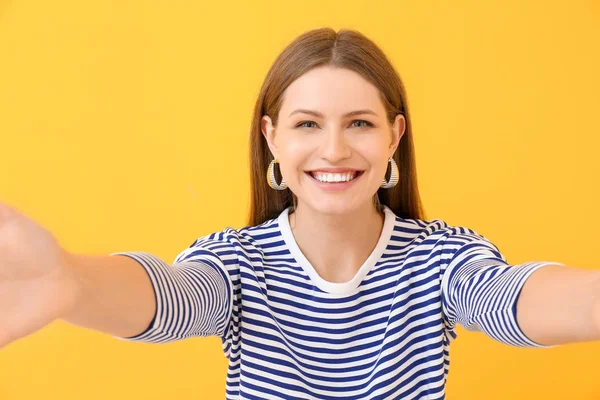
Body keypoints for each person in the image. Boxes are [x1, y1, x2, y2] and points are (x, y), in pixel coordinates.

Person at [0, 27, 597, 400]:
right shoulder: (236, 264)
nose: (334, 149)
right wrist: (70, 283)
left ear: (395, 136)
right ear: (272, 139)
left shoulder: (441, 260)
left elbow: (515, 300)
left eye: (358, 123)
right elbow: (169, 297)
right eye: (307, 124)